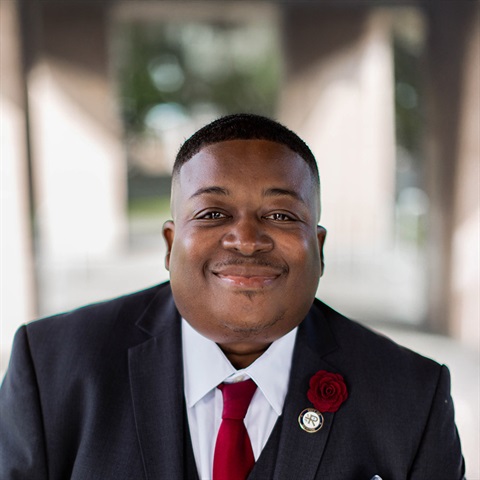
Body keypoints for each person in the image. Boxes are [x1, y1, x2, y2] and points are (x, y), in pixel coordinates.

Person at [0, 113, 464, 479]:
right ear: (168, 244)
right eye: (213, 212)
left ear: (319, 249)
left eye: (281, 216)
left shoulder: (411, 396)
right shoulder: (51, 369)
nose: (246, 239)